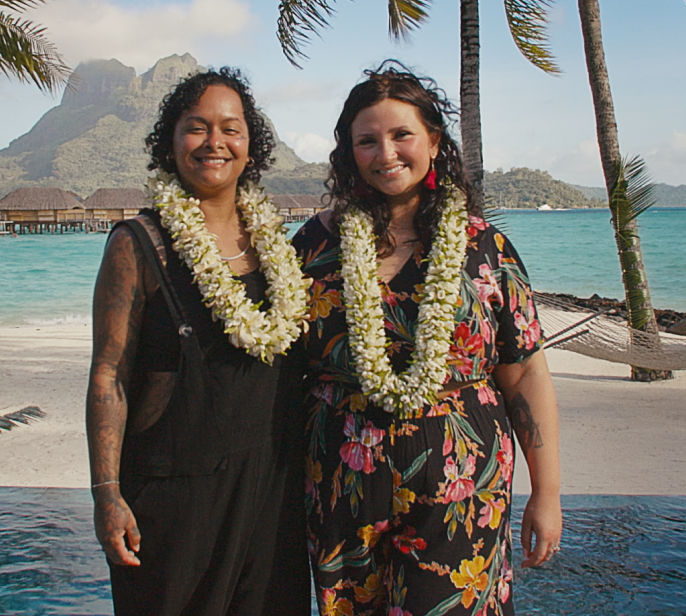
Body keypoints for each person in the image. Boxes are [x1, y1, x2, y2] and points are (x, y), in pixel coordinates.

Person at [291, 62, 562, 615]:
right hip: (340, 482)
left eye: (401, 135)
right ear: (349, 153)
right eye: (367, 140)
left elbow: (526, 373)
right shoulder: (315, 245)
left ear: (434, 142)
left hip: (463, 480)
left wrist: (548, 493)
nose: (385, 153)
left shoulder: (484, 248)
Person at [86, 67, 311, 616]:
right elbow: (109, 374)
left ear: (251, 144)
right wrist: (106, 495)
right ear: (170, 141)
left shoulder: (277, 243)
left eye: (231, 129)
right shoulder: (137, 243)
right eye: (196, 127)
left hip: (271, 495)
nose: (215, 143)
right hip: (173, 498)